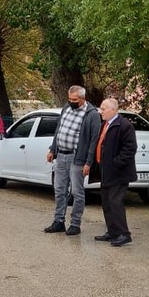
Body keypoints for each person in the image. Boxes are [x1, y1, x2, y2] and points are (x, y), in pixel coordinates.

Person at [44, 85, 101, 235]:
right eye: (69, 99)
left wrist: (88, 162)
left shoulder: (92, 114)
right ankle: (58, 221)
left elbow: (93, 141)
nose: (71, 102)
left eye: (74, 100)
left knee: (77, 192)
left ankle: (75, 224)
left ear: (83, 99)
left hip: (77, 157)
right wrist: (52, 149)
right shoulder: (66, 108)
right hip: (61, 155)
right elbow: (59, 130)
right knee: (59, 190)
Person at [92, 98, 137, 247]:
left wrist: (116, 163)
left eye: (103, 109)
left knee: (115, 202)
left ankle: (124, 233)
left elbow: (130, 148)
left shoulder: (124, 125)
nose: (100, 111)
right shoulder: (105, 125)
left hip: (118, 172)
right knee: (106, 202)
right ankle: (112, 231)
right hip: (106, 171)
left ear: (112, 110)